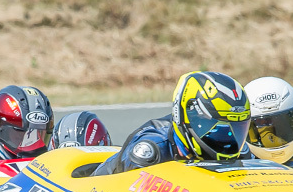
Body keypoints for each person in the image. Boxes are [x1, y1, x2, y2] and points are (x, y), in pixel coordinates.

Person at [92, 71, 251, 176]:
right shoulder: (151, 152)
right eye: (216, 129)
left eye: (237, 130)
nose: (227, 140)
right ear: (192, 117)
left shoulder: (240, 150)